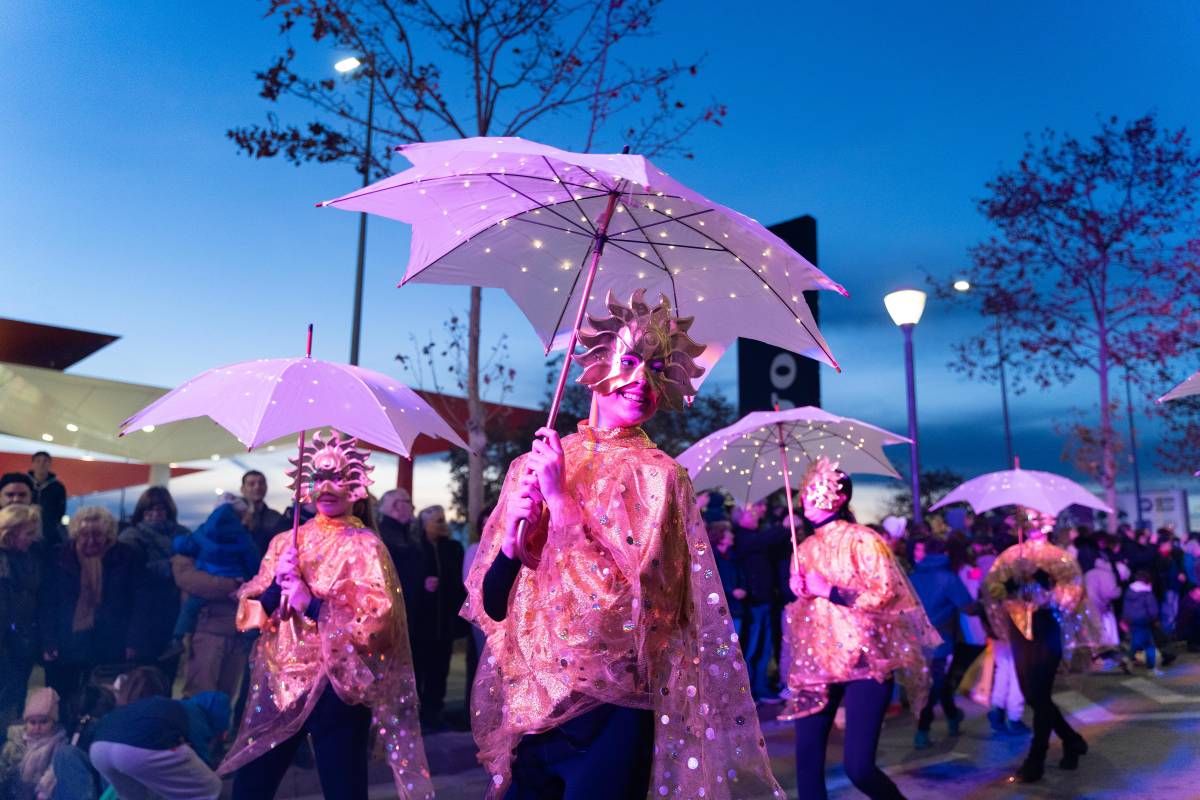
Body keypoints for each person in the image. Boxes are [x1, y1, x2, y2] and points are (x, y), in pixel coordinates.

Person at [464, 290, 784, 800]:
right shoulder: (538, 462)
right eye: (630, 362)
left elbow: (639, 608)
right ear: (594, 366)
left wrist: (561, 502)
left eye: (658, 369)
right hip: (537, 710)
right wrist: (511, 541)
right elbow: (494, 604)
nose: (642, 381)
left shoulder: (662, 478)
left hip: (613, 717)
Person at [219, 430, 432, 800]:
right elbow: (251, 616)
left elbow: (377, 626)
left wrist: (313, 604)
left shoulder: (365, 546)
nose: (327, 486)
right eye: (319, 477)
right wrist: (275, 588)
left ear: (356, 485)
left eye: (338, 477)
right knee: (251, 787)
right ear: (306, 484)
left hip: (337, 688)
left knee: (343, 789)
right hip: (280, 684)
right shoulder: (285, 542)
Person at [782, 457, 939, 800]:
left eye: (815, 489)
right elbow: (807, 611)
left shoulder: (863, 540)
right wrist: (800, 591)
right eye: (804, 490)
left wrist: (831, 591)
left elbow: (886, 592)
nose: (805, 498)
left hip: (865, 662)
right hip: (816, 664)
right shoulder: (802, 549)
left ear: (839, 497)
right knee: (807, 764)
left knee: (859, 768)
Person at [983, 507, 1095, 783]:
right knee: (1033, 696)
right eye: (1028, 520)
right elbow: (991, 589)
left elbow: (1072, 595)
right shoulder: (1011, 556)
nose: (1034, 525)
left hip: (1046, 628)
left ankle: (1036, 758)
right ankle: (1071, 740)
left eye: (1038, 520)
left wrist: (1045, 582)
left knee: (1039, 693)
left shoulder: (1059, 558)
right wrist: (1010, 585)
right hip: (1020, 631)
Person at [39, 507, 142, 724]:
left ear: (109, 534)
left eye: (98, 534)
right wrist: (48, 640)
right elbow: (47, 602)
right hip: (67, 639)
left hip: (109, 639)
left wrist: (132, 641)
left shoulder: (126, 557)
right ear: (75, 533)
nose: (91, 540)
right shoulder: (59, 557)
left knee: (102, 698)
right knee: (63, 697)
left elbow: (137, 602)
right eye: (85, 534)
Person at [160, 499, 260, 660]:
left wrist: (176, 544)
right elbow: (252, 561)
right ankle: (251, 637)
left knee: (190, 606)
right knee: (246, 609)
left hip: (208, 576)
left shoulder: (202, 534)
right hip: (235, 579)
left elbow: (184, 545)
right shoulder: (243, 538)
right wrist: (249, 577)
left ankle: (178, 638)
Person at [88, 680, 221, 800]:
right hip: (137, 749)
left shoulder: (161, 706)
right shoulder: (197, 714)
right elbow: (202, 755)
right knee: (209, 789)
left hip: (98, 748)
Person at [908, 536, 976, 749]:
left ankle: (951, 717)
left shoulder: (912, 577)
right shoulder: (948, 578)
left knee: (929, 684)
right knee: (936, 685)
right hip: (941, 640)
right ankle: (924, 730)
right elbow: (968, 607)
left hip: (916, 640)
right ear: (945, 553)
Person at [119, 488, 187, 671]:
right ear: (142, 511)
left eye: (160, 509)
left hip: (173, 614)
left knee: (166, 673)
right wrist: (172, 566)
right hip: (142, 616)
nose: (156, 514)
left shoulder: (184, 536)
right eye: (150, 509)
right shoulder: (131, 538)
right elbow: (131, 575)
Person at [412, 503, 467, 729]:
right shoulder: (416, 547)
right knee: (419, 670)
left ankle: (435, 713)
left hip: (445, 621)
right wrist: (422, 584)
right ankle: (417, 717)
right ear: (424, 523)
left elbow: (460, 582)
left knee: (440, 670)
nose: (441, 523)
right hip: (421, 623)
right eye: (436, 519)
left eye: (442, 518)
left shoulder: (453, 548)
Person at [732, 501, 788, 704]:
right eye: (752, 513)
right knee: (751, 648)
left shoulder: (756, 536)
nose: (757, 515)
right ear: (741, 518)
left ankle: (761, 687)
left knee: (765, 647)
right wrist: (784, 526)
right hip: (752, 603)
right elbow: (765, 540)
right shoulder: (742, 538)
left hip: (765, 600)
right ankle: (746, 691)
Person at [0, 687, 95, 800]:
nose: (37, 727)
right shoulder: (15, 743)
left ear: (53, 723)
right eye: (32, 722)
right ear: (25, 723)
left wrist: (43, 792)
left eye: (44, 722)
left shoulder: (58, 743)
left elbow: (53, 774)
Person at [0, 504, 43, 748]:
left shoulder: (29, 558)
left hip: (18, 644)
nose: (33, 538)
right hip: (7, 643)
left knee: (13, 699)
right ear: (11, 531)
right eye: (28, 532)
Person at [1122, 569, 1161, 675]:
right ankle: (1151, 668)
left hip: (1132, 621)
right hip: (1144, 621)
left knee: (1136, 641)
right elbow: (1153, 610)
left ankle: (1127, 659)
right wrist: (1155, 619)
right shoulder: (1147, 593)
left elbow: (1126, 607)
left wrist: (1125, 619)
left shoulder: (1129, 591)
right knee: (1149, 645)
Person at [28, 453, 67, 551]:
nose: (41, 464)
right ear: (33, 464)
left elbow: (60, 511)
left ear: (50, 464)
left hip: (49, 534)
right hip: (25, 530)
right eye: (38, 461)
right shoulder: (25, 483)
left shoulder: (58, 487)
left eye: (45, 461)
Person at [239, 470, 283, 555]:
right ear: (242, 489)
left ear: (266, 487)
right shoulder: (232, 514)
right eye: (251, 484)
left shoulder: (275, 516)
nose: (257, 487)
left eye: (261, 483)